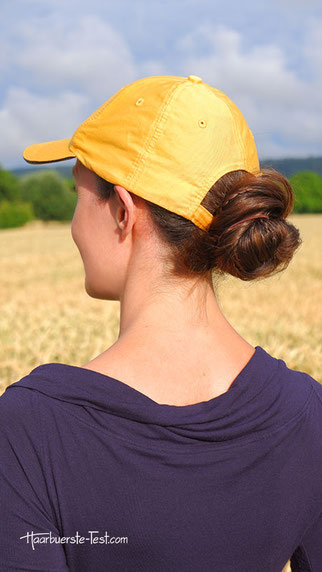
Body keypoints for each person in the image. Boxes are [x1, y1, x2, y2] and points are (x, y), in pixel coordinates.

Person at [0, 74, 321, 572]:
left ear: (124, 212)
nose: (74, 225)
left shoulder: (33, 429)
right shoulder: (307, 412)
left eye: (78, 195)